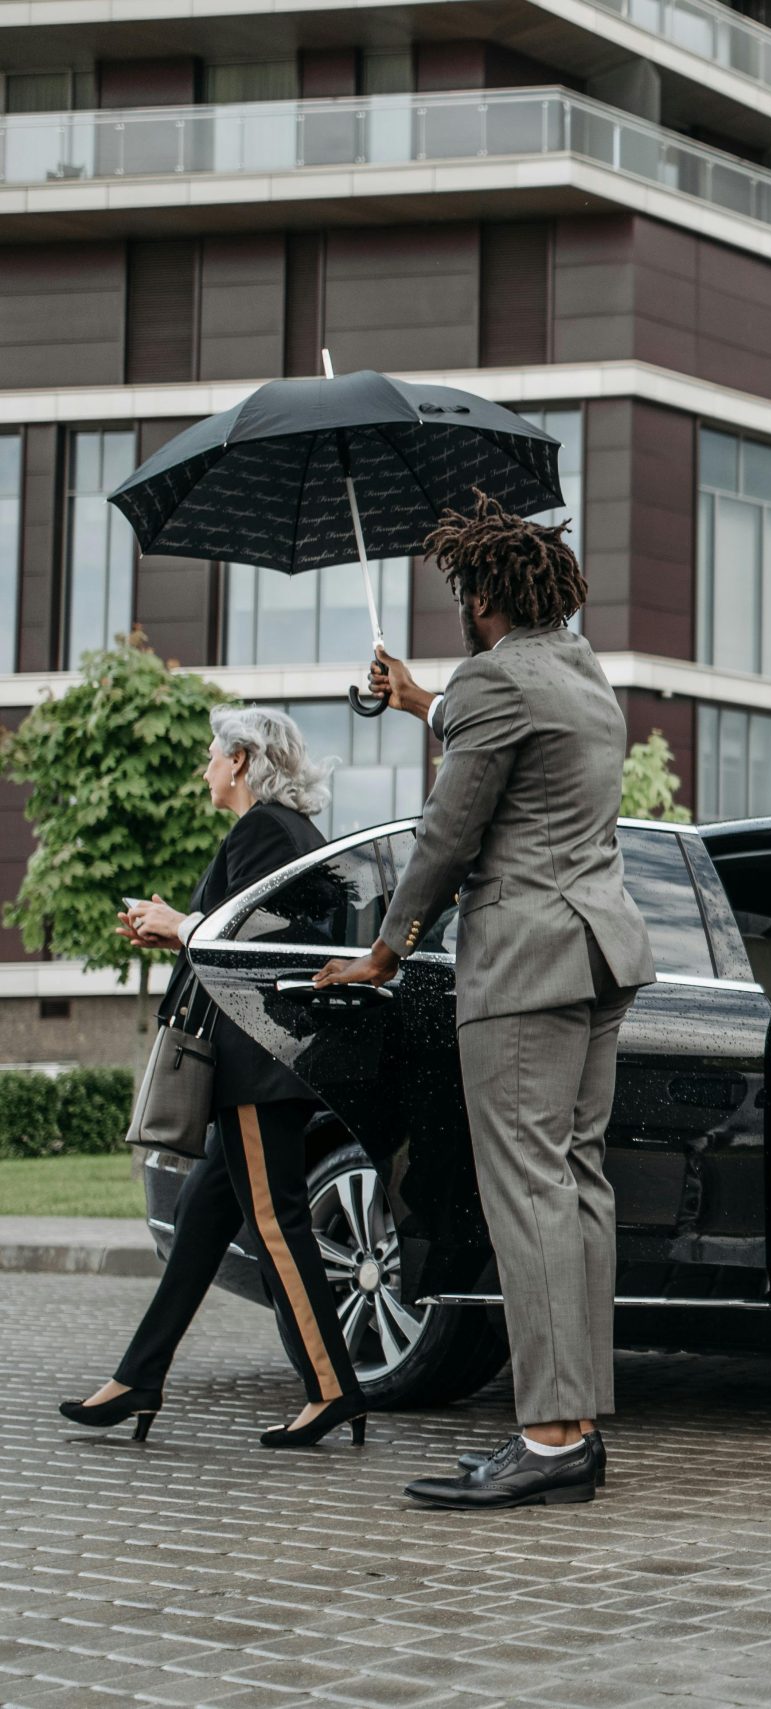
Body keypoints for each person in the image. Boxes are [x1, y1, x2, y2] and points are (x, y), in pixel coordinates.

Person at [314, 495, 653, 1511]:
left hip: (523, 962)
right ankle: (575, 1421)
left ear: (485, 596)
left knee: (529, 1192)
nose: (459, 604)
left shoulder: (494, 678)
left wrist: (386, 946)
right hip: (598, 955)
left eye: (464, 589)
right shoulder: (582, 676)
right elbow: (494, 723)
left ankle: (547, 1435)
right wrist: (422, 700)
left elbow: (445, 838)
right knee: (577, 1187)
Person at [60, 707, 369, 1448]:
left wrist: (181, 925)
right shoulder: (292, 835)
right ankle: (140, 1377)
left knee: (278, 1223)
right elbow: (255, 928)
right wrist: (181, 919)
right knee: (202, 1224)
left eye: (209, 754)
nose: (204, 766)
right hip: (268, 1066)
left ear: (239, 758)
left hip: (259, 1067)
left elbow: (261, 951)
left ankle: (332, 1388)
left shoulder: (263, 829)